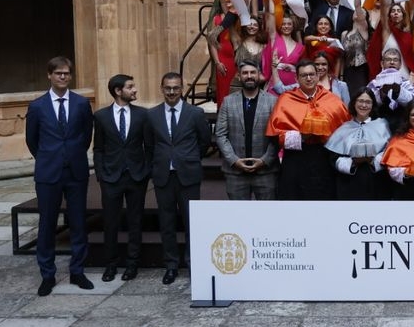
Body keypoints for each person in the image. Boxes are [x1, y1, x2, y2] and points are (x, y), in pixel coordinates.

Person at [26, 57, 94, 296]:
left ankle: (77, 270)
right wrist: (50, 157)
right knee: (47, 223)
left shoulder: (81, 104)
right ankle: (47, 274)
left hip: (75, 171)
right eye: (58, 74)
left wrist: (71, 155)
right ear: (49, 75)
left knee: (78, 222)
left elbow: (86, 136)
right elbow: (32, 141)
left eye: (66, 73)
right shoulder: (37, 106)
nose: (63, 77)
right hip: (48, 172)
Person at [145, 72, 212, 284]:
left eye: (176, 88)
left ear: (182, 89)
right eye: (167, 88)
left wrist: (188, 159)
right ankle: (171, 265)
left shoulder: (195, 113)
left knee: (192, 222)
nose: (172, 92)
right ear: (161, 88)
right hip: (163, 175)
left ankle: (193, 264)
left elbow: (204, 141)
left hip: (188, 174)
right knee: (167, 222)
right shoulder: (152, 115)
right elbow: (149, 144)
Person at [92, 73, 151, 282]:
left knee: (135, 221)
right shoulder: (100, 117)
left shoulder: (143, 115)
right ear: (118, 91)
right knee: (110, 222)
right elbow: (98, 148)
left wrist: (146, 171)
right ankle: (111, 265)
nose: (135, 90)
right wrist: (101, 174)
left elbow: (149, 146)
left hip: (136, 177)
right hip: (111, 177)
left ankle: (132, 264)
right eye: (130, 87)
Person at [267, 58, 350, 200]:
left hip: (324, 159)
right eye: (304, 75)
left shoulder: (332, 100)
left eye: (312, 74)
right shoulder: (286, 100)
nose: (309, 78)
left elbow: (344, 132)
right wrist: (303, 136)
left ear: (318, 76)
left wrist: (326, 134)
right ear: (296, 78)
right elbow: (275, 136)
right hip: (296, 160)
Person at [214, 60, 279, 201]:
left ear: (259, 75)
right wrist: (234, 160)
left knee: (267, 217)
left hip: (265, 172)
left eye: (252, 72)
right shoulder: (228, 101)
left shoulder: (273, 101)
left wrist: (264, 160)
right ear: (238, 76)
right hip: (235, 172)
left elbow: (277, 135)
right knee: (238, 220)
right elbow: (220, 135)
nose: (249, 76)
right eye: (245, 73)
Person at [326, 89, 391, 200]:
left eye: (368, 102)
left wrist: (372, 161)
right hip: (349, 184)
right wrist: (353, 162)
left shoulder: (383, 125)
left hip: (375, 183)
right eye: (360, 101)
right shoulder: (343, 128)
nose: (364, 105)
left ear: (373, 105)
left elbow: (389, 152)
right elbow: (334, 158)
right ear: (354, 103)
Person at [368, 46, 414, 131]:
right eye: (388, 60)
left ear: (400, 65)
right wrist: (382, 92)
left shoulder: (407, 84)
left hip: (402, 127)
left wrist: (398, 90)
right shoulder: (373, 84)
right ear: (382, 63)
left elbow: (413, 104)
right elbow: (368, 104)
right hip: (378, 127)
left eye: (395, 60)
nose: (392, 62)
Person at [264, 13, 304, 94]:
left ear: (293, 26)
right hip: (276, 80)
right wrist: (275, 1)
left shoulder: (300, 47)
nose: (286, 26)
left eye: (289, 24)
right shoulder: (274, 38)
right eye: (283, 24)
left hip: (292, 82)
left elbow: (301, 67)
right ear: (279, 26)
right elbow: (271, 15)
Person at [303, 15, 345, 81]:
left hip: (330, 75)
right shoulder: (313, 40)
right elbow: (306, 39)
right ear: (316, 27)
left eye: (326, 24)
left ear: (330, 27)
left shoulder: (334, 41)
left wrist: (336, 77)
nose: (323, 26)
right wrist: (319, 38)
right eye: (320, 24)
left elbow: (338, 60)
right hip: (312, 75)